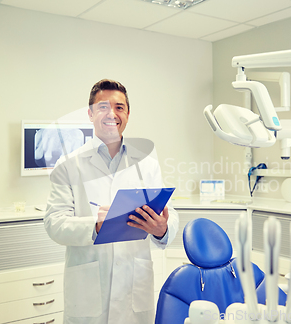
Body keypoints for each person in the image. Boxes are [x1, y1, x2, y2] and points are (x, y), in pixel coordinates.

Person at [44, 79, 179, 324]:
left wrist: (162, 229)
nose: (112, 114)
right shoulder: (69, 164)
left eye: (119, 107)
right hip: (88, 291)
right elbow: (54, 223)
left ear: (127, 114)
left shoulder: (147, 162)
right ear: (90, 113)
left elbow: (168, 211)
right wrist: (95, 226)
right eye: (103, 107)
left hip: (134, 285)